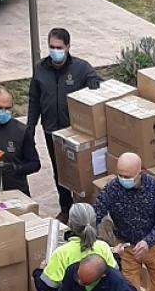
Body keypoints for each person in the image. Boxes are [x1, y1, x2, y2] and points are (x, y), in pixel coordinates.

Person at [23, 27, 102, 215]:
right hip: (51, 131)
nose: (55, 51)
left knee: (81, 170)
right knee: (60, 172)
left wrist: (94, 84)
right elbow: (34, 99)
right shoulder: (40, 69)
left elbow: (97, 83)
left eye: (59, 47)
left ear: (68, 47)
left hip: (75, 132)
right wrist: (30, 127)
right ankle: (65, 208)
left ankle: (85, 209)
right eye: (51, 47)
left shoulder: (81, 68)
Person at [94, 152, 155, 291]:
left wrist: (148, 241)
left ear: (140, 172)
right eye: (120, 175)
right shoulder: (111, 189)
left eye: (127, 176)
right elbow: (96, 215)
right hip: (126, 247)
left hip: (153, 246)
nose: (123, 179)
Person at [32, 202, 117, 291]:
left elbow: (47, 288)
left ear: (70, 224)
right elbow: (114, 277)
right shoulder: (103, 247)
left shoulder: (62, 253)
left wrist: (39, 272)